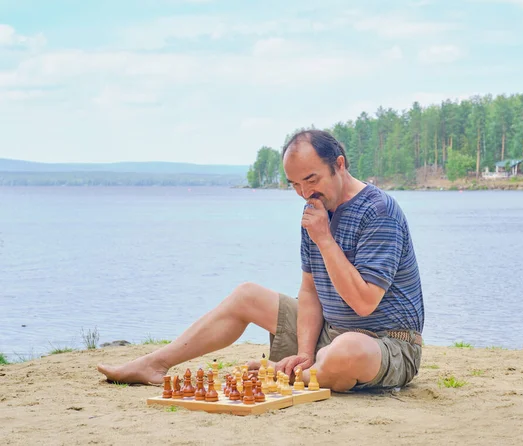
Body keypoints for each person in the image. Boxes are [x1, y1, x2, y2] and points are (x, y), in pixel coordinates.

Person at [98, 129, 424, 392]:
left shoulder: (379, 212)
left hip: (385, 344)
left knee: (346, 351)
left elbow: (365, 303)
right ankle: (154, 363)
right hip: (330, 331)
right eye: (295, 184)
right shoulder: (315, 209)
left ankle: (290, 376)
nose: (304, 192)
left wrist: (324, 239)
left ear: (339, 164)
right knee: (247, 295)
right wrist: (304, 352)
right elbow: (310, 291)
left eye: (312, 180)